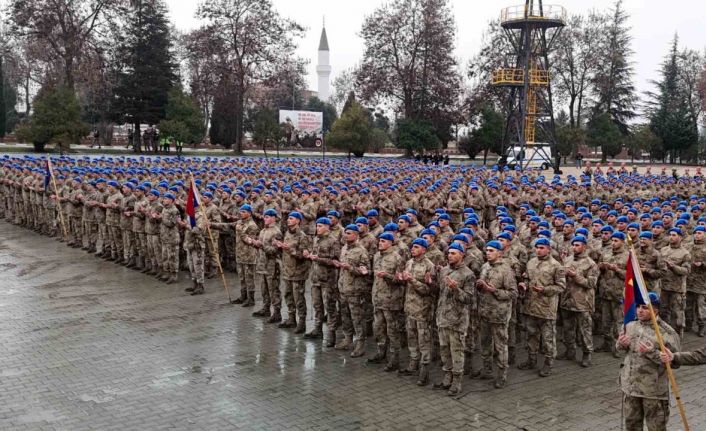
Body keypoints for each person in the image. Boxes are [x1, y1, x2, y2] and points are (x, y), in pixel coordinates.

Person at [617, 292, 680, 431]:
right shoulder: (630, 325)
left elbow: (675, 362)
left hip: (653, 391)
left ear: (655, 309)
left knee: (656, 428)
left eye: (644, 307)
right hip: (631, 388)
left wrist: (652, 353)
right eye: (638, 306)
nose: (639, 310)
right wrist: (621, 344)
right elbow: (621, 349)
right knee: (632, 426)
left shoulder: (666, 332)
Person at [518, 238, 566, 377]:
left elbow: (561, 286)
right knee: (531, 336)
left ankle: (548, 363)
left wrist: (545, 289)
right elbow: (527, 278)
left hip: (546, 308)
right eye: (537, 247)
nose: (538, 250)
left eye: (542, 247)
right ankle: (531, 360)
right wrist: (524, 285)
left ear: (549, 249)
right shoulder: (531, 262)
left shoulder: (556, 266)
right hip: (531, 306)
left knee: (548, 338)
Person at [435, 242, 475, 396]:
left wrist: (455, 289)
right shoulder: (444, 270)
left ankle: (457, 381)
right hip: (443, 317)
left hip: (457, 320)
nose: (449, 255)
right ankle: (447, 375)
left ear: (461, 255)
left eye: (453, 253)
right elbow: (439, 293)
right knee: (444, 350)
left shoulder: (468, 274)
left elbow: (468, 299)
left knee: (456, 351)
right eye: (449, 253)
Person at [477, 240, 517, 389]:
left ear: (500, 253)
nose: (488, 253)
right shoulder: (485, 266)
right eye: (487, 250)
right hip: (485, 311)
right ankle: (487, 369)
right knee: (485, 343)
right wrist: (480, 286)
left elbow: (513, 293)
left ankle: (502, 374)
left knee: (500, 345)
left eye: (491, 250)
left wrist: (494, 291)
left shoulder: (506, 270)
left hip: (499, 313)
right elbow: (483, 288)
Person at [400, 238, 437, 383]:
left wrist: (412, 280)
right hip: (410, 308)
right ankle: (413, 362)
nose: (412, 249)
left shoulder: (429, 266)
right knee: (412, 338)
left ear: (423, 249)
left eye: (415, 247)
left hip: (423, 310)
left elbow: (429, 290)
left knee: (424, 341)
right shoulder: (409, 263)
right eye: (412, 247)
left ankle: (424, 370)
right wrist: (403, 278)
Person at [559, 235, 599, 367]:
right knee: (567, 328)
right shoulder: (568, 259)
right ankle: (569, 350)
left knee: (584, 330)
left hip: (583, 301)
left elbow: (591, 283)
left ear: (584, 247)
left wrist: (575, 276)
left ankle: (587, 353)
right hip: (567, 299)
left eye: (577, 245)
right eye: (573, 245)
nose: (574, 247)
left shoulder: (591, 264)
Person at [368, 231, 405, 371]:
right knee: (378, 328)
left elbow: (400, 281)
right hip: (377, 298)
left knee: (392, 331)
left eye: (383, 241)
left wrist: (388, 276)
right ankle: (380, 352)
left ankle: (394, 359)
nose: (380, 243)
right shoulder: (377, 256)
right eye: (380, 241)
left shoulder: (397, 259)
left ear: (391, 243)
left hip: (391, 301)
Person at [334, 224, 371, 357]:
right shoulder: (344, 248)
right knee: (345, 316)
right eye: (345, 233)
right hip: (344, 287)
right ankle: (348, 339)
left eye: (349, 233)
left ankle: (360, 344)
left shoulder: (361, 251)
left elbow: (365, 271)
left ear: (356, 235)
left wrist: (350, 268)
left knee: (357, 318)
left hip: (355, 290)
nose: (345, 235)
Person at [304, 217, 342, 341]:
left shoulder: (333, 241)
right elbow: (315, 255)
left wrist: (318, 259)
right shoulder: (316, 239)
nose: (317, 228)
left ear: (327, 227)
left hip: (328, 280)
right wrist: (308, 255)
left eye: (320, 226)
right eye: (317, 226)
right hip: (316, 278)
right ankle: (317, 329)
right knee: (317, 305)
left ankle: (331, 334)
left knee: (330, 307)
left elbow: (335, 261)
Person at [275, 211, 311, 333]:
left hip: (298, 272)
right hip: (287, 270)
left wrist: (289, 249)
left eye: (291, 218)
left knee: (298, 298)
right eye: (288, 218)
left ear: (298, 221)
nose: (288, 220)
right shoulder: (287, 233)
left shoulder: (302, 236)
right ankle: (291, 318)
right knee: (288, 296)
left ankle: (301, 322)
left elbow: (304, 256)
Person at [251, 209, 283, 322]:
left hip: (272, 265)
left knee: (273, 289)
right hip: (262, 264)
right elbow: (261, 246)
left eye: (268, 217)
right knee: (264, 288)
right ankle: (266, 308)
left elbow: (275, 251)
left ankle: (277, 312)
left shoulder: (276, 232)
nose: (265, 218)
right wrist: (255, 244)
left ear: (274, 218)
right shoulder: (263, 230)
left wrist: (262, 245)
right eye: (265, 217)